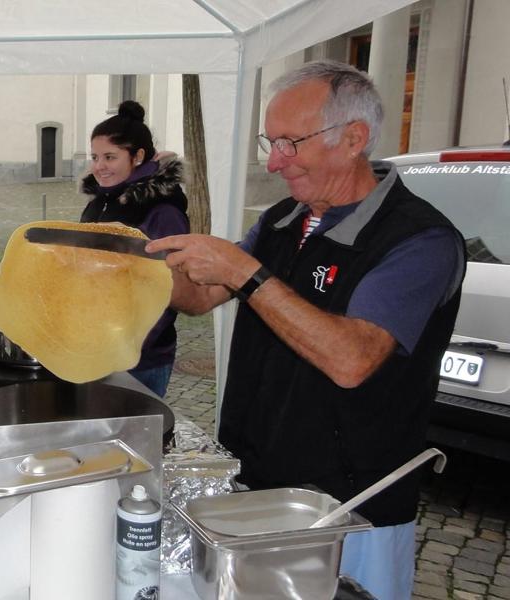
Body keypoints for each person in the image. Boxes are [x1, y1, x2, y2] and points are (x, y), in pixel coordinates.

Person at [146, 60, 465, 600]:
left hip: (350, 508)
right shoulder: (283, 219)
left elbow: (352, 361)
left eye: (290, 144)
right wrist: (140, 268)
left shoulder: (420, 241)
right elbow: (202, 297)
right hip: (259, 486)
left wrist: (244, 271)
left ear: (354, 138)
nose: (274, 162)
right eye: (271, 142)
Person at [79, 100, 190, 397]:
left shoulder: (161, 210)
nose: (99, 166)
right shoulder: (102, 201)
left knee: (132, 438)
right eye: (95, 157)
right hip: (100, 346)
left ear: (138, 156)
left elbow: (167, 287)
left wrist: (127, 346)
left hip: (139, 357)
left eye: (110, 157)